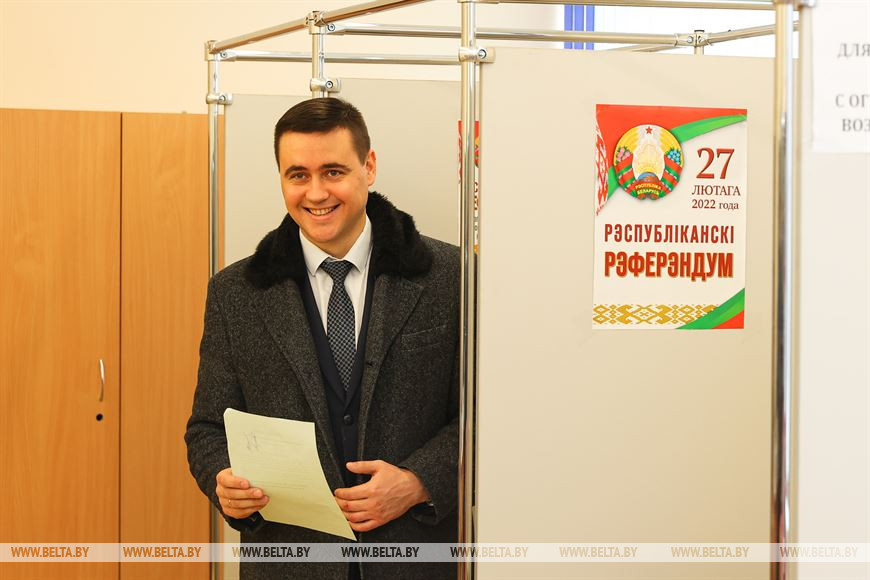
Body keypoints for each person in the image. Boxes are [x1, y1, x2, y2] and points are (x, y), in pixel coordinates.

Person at [185, 97, 459, 579]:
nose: (315, 193)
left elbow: (488, 420)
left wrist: (420, 481)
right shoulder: (235, 294)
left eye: (333, 171)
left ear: (368, 167)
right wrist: (223, 480)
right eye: (298, 175)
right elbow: (206, 430)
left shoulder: (451, 277)